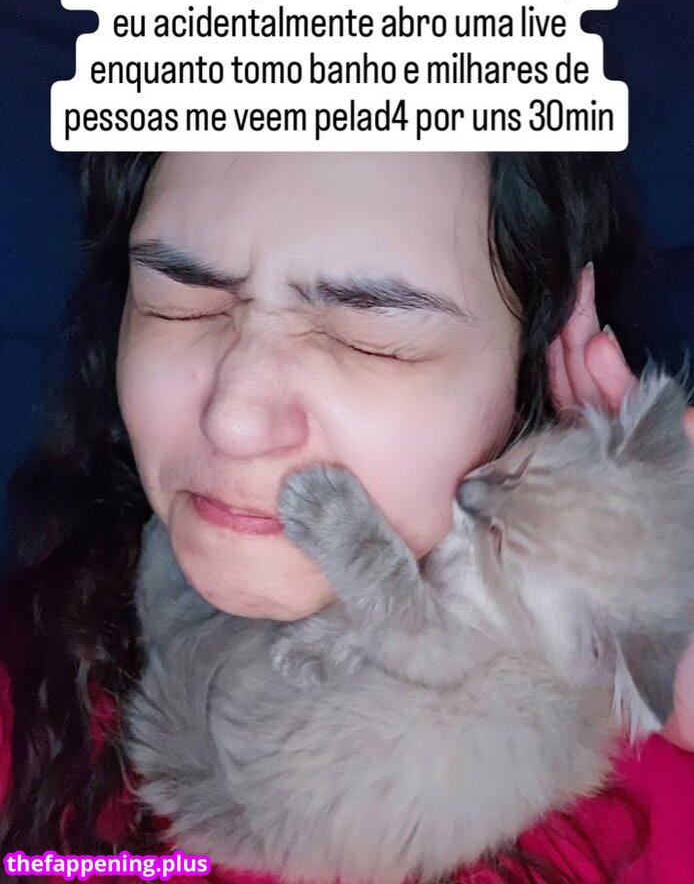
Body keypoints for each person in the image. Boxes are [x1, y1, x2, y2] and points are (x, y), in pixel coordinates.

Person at [1, 151, 693, 884]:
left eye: (373, 341)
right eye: (180, 303)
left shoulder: (659, 796)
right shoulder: (28, 688)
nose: (234, 419)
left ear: (527, 383)